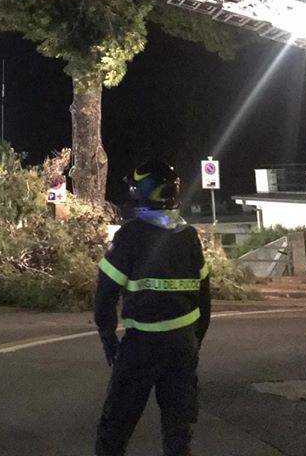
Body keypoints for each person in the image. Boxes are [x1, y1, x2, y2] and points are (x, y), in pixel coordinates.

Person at [94, 159, 210, 456]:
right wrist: (193, 341)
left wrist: (109, 339)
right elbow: (204, 301)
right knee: (177, 433)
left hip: (141, 347)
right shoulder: (189, 237)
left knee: (115, 429)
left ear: (145, 192)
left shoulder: (130, 236)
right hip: (183, 346)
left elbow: (105, 294)